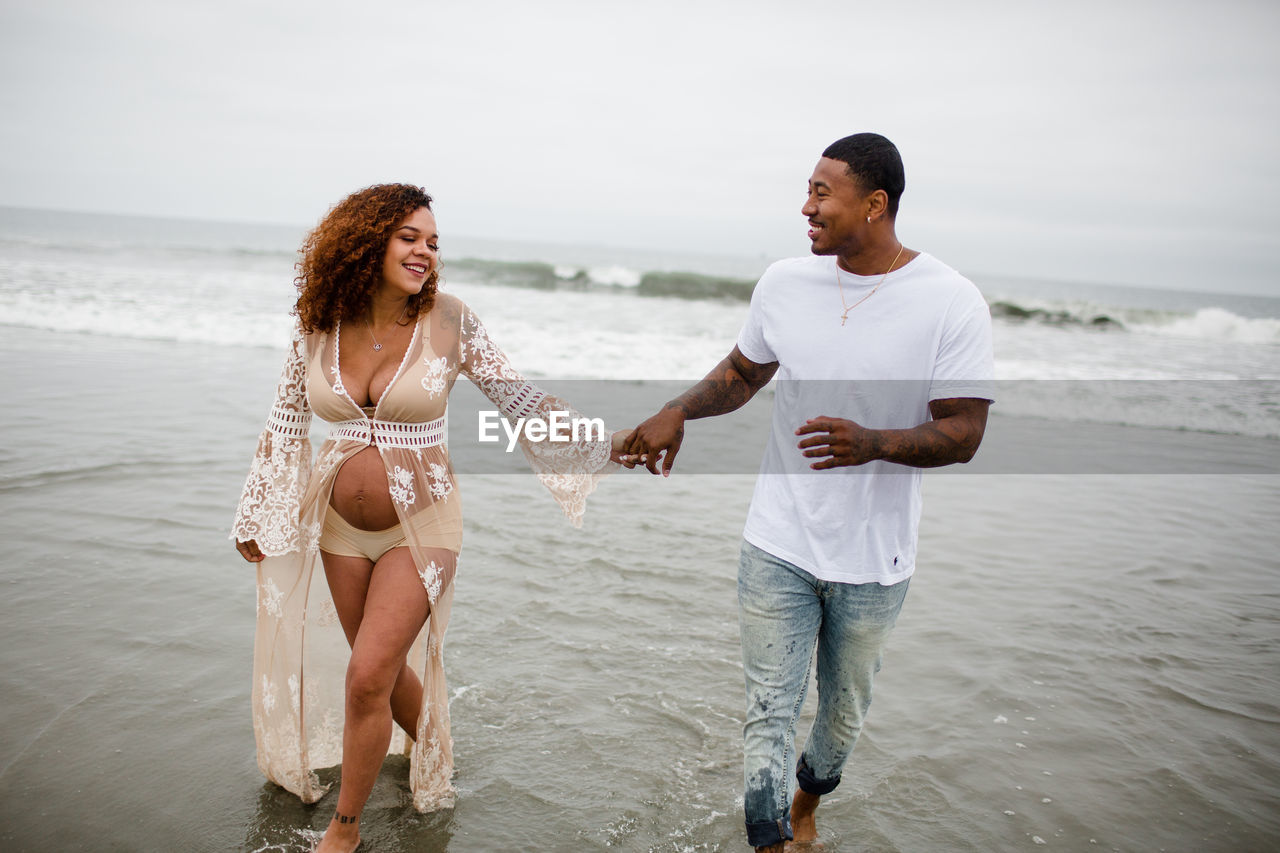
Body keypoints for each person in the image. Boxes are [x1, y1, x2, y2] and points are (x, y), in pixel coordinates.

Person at [623, 133, 995, 851]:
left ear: (875, 203)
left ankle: (807, 801)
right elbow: (741, 373)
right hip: (778, 540)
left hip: (874, 561)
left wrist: (877, 441)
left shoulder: (950, 301)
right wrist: (679, 411)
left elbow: (965, 432)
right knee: (768, 707)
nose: (807, 206)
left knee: (840, 721)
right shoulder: (786, 283)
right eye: (808, 190)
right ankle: (769, 839)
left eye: (823, 193)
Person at [231, 184, 625, 853]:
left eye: (433, 241)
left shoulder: (449, 320)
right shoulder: (321, 324)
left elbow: (517, 394)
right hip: (340, 530)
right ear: (366, 241)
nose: (425, 251)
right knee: (378, 670)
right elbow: (286, 422)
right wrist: (257, 510)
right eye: (409, 237)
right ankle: (435, 745)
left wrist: (607, 440)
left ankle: (346, 828)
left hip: (426, 522)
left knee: (365, 675)